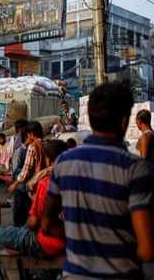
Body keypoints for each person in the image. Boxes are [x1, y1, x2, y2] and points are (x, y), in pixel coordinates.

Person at [43, 82, 154, 279]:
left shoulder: (63, 163)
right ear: (123, 121)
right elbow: (147, 250)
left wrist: (80, 240)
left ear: (92, 119)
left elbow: (46, 224)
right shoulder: (135, 169)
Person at [0, 140, 68, 257]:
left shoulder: (47, 182)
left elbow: (36, 223)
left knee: (1, 234)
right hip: (72, 241)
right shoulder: (77, 179)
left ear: (48, 160)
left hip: (50, 243)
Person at [8, 121, 46, 226]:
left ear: (31, 134)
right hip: (45, 182)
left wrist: (14, 184)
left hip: (35, 183)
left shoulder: (32, 147)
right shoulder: (46, 143)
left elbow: (26, 171)